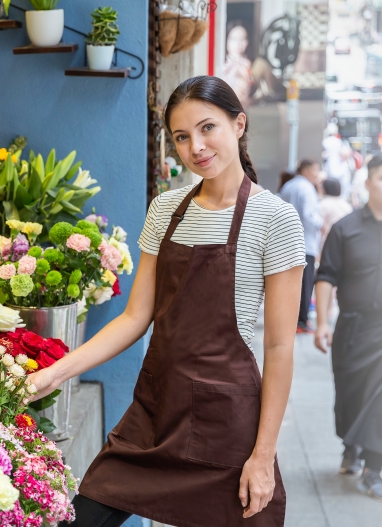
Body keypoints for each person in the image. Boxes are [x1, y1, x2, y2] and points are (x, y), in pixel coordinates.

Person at [31, 76, 305, 527]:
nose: (196, 146)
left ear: (239, 124)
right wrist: (56, 373)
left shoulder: (275, 218)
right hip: (156, 409)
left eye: (207, 128)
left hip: (228, 421)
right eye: (181, 136)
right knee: (82, 518)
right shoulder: (165, 210)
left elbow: (279, 348)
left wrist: (263, 455)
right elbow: (136, 317)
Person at [314, 155, 382, 500]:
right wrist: (323, 322)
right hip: (353, 328)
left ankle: (375, 463)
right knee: (350, 396)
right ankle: (352, 445)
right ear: (368, 182)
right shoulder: (347, 228)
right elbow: (326, 276)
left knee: (379, 393)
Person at [280, 159, 323, 332]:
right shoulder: (306, 188)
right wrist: (322, 223)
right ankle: (301, 322)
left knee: (287, 284)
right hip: (305, 243)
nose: (317, 175)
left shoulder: (288, 186)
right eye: (315, 171)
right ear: (306, 171)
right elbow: (309, 216)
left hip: (285, 243)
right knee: (305, 284)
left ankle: (289, 321)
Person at [318, 178, 353, 257]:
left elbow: (321, 226)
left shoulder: (323, 204)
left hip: (327, 242)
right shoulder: (346, 205)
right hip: (345, 241)